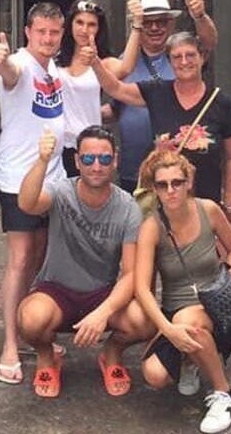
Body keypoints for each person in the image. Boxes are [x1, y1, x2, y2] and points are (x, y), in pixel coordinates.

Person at [87, 30, 231, 384]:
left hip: (204, 204)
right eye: (177, 58)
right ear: (170, 62)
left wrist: (229, 200)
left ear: (202, 57)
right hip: (164, 201)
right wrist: (95, 61)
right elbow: (115, 89)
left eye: (191, 55)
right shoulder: (158, 93)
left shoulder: (221, 102)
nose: (185, 62)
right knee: (166, 277)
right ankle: (177, 340)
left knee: (221, 282)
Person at [17, 125, 152, 398]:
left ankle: (111, 354)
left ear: (115, 161)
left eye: (104, 159)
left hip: (102, 294)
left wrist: (102, 313)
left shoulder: (128, 207)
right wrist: (42, 160)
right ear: (78, 161)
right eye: (88, 159)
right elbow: (27, 204)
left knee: (144, 321)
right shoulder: (61, 191)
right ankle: (47, 357)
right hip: (56, 291)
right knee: (30, 319)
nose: (96, 166)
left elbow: (129, 274)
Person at [135, 149, 231, 434]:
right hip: (177, 312)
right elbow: (141, 288)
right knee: (154, 375)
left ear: (188, 183)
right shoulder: (151, 227)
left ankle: (225, 395)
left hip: (215, 307)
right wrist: (166, 329)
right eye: (162, 185)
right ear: (154, 188)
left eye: (177, 182)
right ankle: (191, 360)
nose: (170, 190)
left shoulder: (208, 209)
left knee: (190, 325)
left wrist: (226, 284)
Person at [0, 2, 67, 384]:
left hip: (52, 180)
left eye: (54, 33)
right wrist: (1, 60)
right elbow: (9, 74)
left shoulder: (53, 68)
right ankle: (9, 343)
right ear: (28, 32)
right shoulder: (20, 64)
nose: (48, 39)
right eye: (42, 32)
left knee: (38, 257)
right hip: (19, 179)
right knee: (20, 260)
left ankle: (27, 330)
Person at [104, 0, 218, 193]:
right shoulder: (125, 61)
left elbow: (208, 43)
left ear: (171, 24)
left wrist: (200, 16)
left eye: (161, 21)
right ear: (138, 25)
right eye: (147, 22)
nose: (155, 27)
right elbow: (116, 108)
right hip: (134, 172)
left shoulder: (182, 56)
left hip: (177, 175)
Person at [55, 0, 142, 176]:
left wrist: (137, 25)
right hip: (57, 146)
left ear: (99, 29)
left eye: (91, 24)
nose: (84, 29)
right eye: (79, 22)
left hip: (89, 147)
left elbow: (126, 67)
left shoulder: (103, 63)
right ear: (70, 24)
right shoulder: (54, 60)